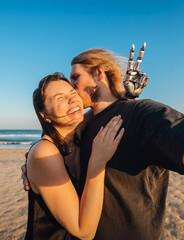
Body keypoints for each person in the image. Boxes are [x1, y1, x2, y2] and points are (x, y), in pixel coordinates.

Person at [23, 48, 184, 239]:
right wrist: (33, 165)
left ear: (99, 73)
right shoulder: (82, 127)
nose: (73, 89)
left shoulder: (143, 113)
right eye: (62, 93)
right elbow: (54, 149)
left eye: (75, 78)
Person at [25, 73, 125, 240]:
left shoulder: (79, 136)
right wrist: (97, 162)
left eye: (72, 93)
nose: (72, 100)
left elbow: (97, 109)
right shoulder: (44, 152)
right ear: (44, 115)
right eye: (59, 98)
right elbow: (84, 231)